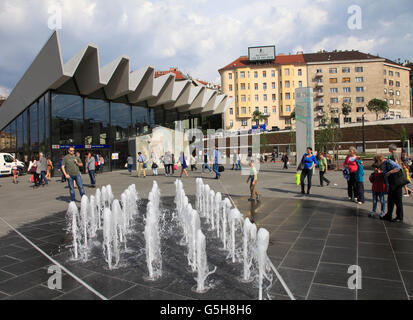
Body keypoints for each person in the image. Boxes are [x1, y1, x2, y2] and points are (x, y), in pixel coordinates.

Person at [374, 154, 404, 222]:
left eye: (377, 162)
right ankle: (388, 215)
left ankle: (399, 217)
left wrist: (390, 172)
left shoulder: (389, 162)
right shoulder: (384, 164)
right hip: (391, 184)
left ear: (380, 160)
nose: (377, 163)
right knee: (390, 200)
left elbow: (398, 167)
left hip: (396, 183)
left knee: (398, 200)